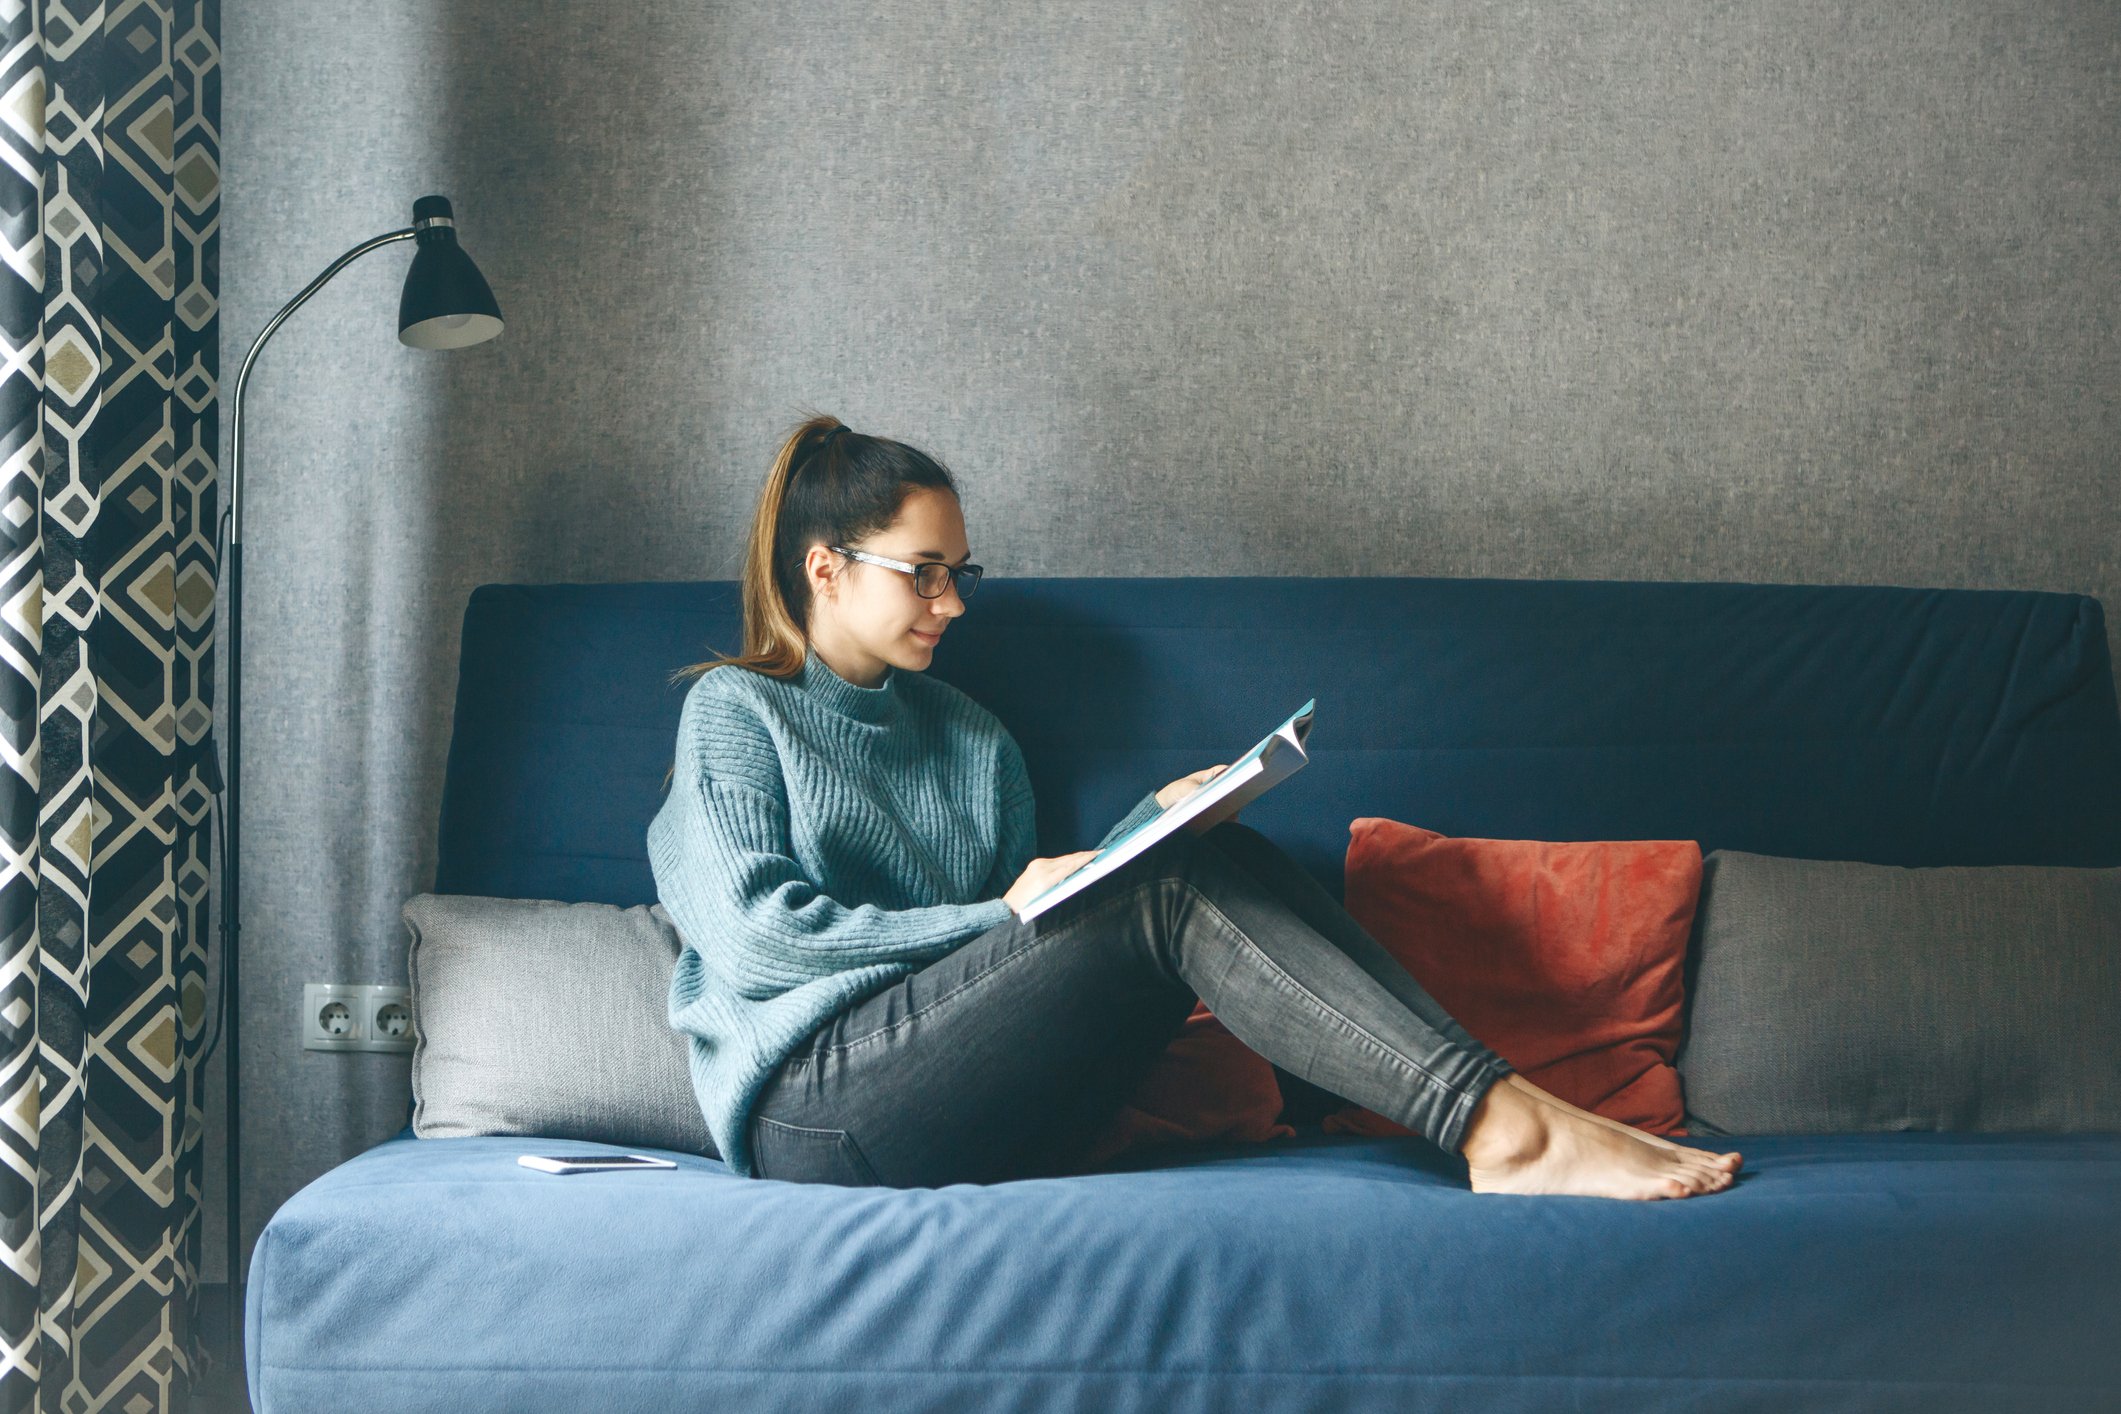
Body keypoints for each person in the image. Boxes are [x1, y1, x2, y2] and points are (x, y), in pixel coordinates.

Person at [647, 411, 1745, 1199]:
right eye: (923, 572)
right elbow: (758, 941)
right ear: (825, 567)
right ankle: (1501, 1125)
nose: (952, 604)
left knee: (1215, 851)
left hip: (964, 1095)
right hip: (818, 1109)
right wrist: (1010, 913)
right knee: (1167, 888)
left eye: (962, 575)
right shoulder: (739, 713)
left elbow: (1014, 990)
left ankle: (1505, 1102)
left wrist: (1136, 840)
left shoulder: (973, 737)